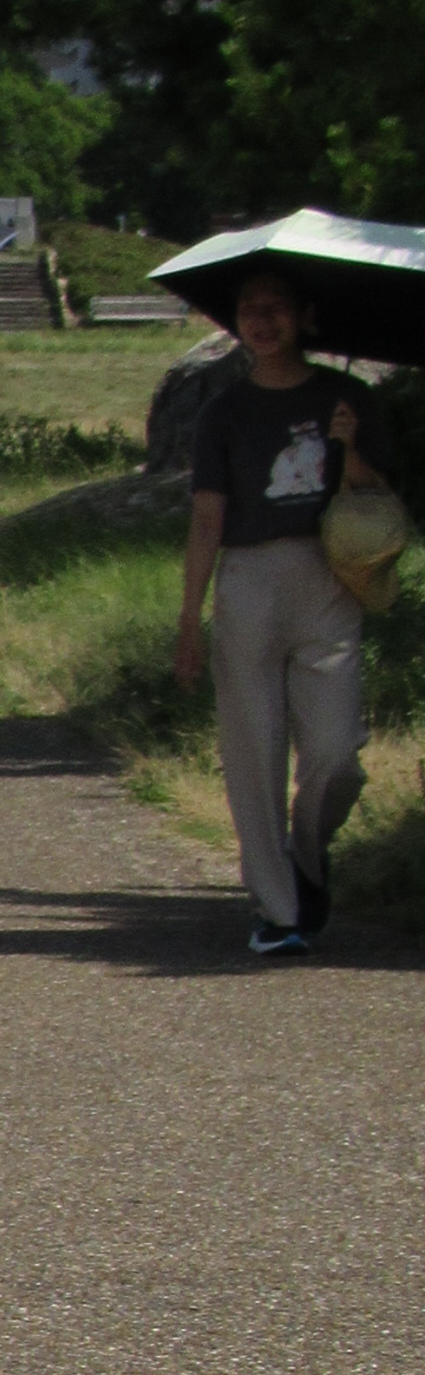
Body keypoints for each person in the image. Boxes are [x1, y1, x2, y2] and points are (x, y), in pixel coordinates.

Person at [172, 262, 398, 957]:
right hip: (248, 579)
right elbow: (207, 518)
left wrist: (349, 446)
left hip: (327, 574)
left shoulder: (345, 395)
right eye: (249, 308)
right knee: (254, 751)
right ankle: (275, 910)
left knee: (336, 755)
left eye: (275, 307)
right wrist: (190, 619)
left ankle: (305, 854)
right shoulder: (225, 410)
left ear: (303, 316)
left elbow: (376, 497)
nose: (262, 320)